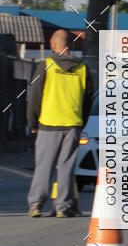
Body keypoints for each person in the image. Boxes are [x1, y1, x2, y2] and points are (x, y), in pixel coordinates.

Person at [27, 29, 93, 217]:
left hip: (48, 124)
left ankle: (36, 204)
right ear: (69, 45)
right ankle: (63, 206)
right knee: (66, 166)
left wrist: (32, 121)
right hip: (73, 124)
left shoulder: (45, 66)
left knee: (43, 166)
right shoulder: (83, 68)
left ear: (53, 43)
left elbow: (34, 96)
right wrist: (81, 123)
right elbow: (88, 100)